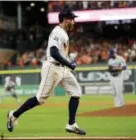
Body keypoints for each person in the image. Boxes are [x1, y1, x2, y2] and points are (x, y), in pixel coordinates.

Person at [6, 5, 86, 136]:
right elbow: (53, 52)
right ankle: (13, 115)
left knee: (76, 92)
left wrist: (67, 64)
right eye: (72, 19)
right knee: (40, 99)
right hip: (52, 67)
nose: (73, 21)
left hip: (62, 68)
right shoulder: (57, 32)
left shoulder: (64, 33)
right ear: (65, 19)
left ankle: (71, 124)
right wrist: (69, 64)